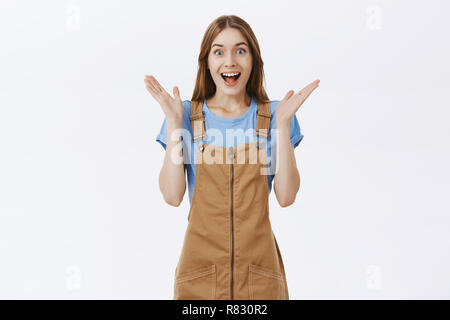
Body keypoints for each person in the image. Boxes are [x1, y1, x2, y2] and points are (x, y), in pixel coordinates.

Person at [144, 14, 319, 300]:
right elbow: (172, 195)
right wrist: (175, 123)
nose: (230, 61)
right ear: (207, 62)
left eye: (240, 50)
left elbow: (286, 196)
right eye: (219, 52)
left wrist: (283, 124)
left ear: (253, 60)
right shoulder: (185, 115)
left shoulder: (276, 115)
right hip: (199, 278)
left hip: (260, 278)